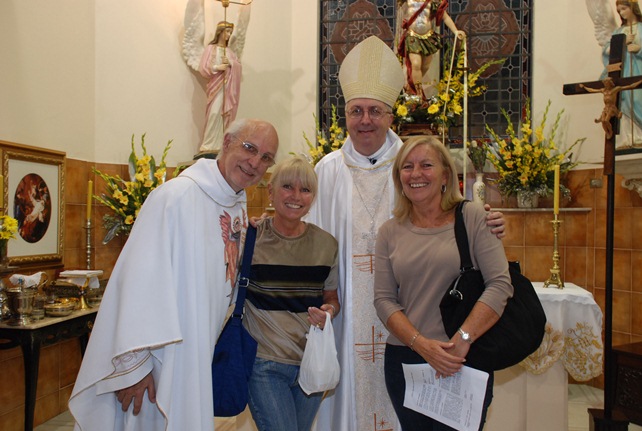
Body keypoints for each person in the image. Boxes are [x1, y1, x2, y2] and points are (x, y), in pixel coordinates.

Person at [308, 35, 505, 431]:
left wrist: (491, 223)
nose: (365, 120)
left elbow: (456, 221)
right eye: (356, 111)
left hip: (416, 327)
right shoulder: (326, 171)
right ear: (345, 116)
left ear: (390, 115)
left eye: (375, 111)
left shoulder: (414, 165)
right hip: (345, 319)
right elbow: (306, 240)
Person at [68, 118, 278, 431]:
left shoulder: (236, 203)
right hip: (158, 360)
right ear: (226, 142)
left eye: (266, 157)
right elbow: (136, 283)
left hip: (197, 352)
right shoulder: (174, 198)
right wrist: (133, 368)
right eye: (249, 148)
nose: (255, 162)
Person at [374, 136, 513, 430]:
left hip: (462, 358)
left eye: (426, 165)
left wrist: (462, 340)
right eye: (407, 167)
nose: (416, 174)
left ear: (445, 175)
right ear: (399, 178)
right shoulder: (389, 231)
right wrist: (422, 345)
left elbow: (500, 285)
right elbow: (384, 299)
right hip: (407, 358)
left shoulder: (473, 217)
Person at [243, 156, 340, 431]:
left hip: (310, 362)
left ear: (313, 197)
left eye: (305, 189)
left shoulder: (326, 244)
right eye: (287, 186)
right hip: (264, 363)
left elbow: (331, 299)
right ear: (270, 191)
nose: (296, 196)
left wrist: (328, 312)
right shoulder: (250, 238)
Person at [182, 1, 251, 155]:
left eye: (230, 33)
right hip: (215, 87)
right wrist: (217, 67)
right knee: (214, 113)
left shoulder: (230, 52)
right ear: (220, 32)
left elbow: (238, 66)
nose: (229, 35)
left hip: (227, 89)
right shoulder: (210, 49)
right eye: (227, 32)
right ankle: (209, 145)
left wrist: (231, 64)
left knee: (224, 115)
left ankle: (221, 144)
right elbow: (203, 68)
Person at [397, 0, 465, 97]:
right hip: (412, 36)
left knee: (425, 66)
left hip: (428, 37)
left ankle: (411, 84)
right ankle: (419, 94)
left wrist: (456, 31)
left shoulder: (432, 1)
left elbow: (445, 16)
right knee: (416, 64)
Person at [599, 0, 642, 147]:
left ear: (633, 8)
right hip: (623, 74)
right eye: (619, 11)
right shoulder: (619, 31)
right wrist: (621, 44)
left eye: (624, 9)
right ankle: (628, 138)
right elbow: (606, 51)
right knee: (622, 102)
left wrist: (639, 50)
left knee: (637, 100)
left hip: (639, 72)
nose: (621, 13)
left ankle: (640, 135)